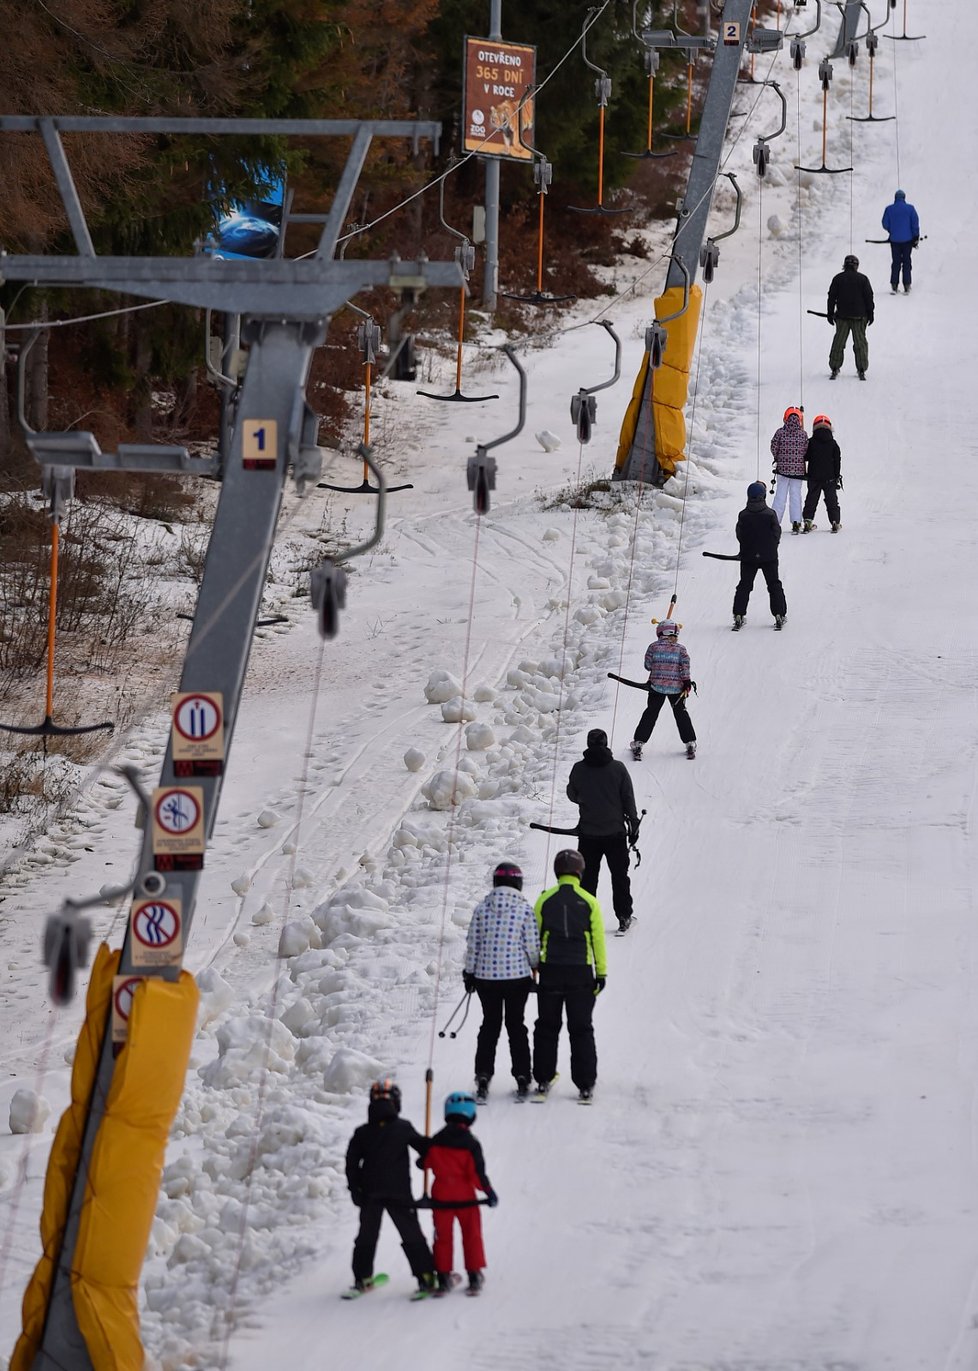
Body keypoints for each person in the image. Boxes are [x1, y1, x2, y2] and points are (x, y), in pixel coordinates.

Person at [345, 1079, 436, 1296]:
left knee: (366, 1236)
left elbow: (351, 1164)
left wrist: (355, 1190)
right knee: (411, 1232)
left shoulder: (362, 1133)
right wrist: (427, 1150)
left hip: (370, 1193)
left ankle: (362, 1278)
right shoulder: (403, 1127)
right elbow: (425, 1148)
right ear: (396, 1102)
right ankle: (426, 1277)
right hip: (399, 1192)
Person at [532, 849, 608, 1102]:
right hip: (581, 971)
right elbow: (597, 940)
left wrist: (534, 967)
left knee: (547, 1026)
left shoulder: (544, 900)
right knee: (581, 1028)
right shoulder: (589, 901)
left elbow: (535, 938)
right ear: (580, 871)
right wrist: (601, 973)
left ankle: (543, 1078)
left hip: (550, 970)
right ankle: (585, 1083)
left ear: (556, 871)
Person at [464, 860, 540, 1102]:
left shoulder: (482, 908)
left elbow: (473, 945)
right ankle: (522, 1076)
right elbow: (531, 945)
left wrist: (469, 973)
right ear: (518, 883)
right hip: (517, 978)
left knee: (490, 1025)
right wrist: (535, 966)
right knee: (516, 1025)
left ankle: (483, 1075)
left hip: (486, 978)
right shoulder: (524, 909)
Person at [422, 1090, 497, 1294]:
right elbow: (477, 1175)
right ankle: (474, 1275)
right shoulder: (471, 1144)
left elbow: (424, 1163)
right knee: (471, 1235)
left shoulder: (436, 1141)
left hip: (441, 1197)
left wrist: (425, 1152)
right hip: (466, 1198)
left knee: (442, 1237)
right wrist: (489, 1192)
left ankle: (443, 1276)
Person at [566, 728, 639, 933]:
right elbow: (628, 799)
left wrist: (585, 798)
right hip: (615, 833)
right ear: (606, 744)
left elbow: (572, 794)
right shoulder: (618, 768)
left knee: (587, 878)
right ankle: (624, 917)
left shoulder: (578, 769)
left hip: (588, 833)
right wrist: (633, 825)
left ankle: (586, 920)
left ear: (588, 744)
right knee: (619, 876)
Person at [629, 620, 696, 760]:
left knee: (651, 713)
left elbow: (648, 666)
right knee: (681, 714)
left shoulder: (653, 647)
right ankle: (690, 742)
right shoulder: (681, 649)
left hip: (656, 687)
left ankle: (639, 742)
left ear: (659, 632)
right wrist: (687, 683)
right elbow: (685, 667)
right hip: (676, 688)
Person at [732, 481, 787, 630]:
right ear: (763, 496)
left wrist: (747, 548)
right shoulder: (770, 514)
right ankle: (779, 614)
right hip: (769, 556)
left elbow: (740, 535)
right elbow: (777, 533)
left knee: (744, 585)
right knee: (774, 584)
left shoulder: (743, 515)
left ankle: (738, 614)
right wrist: (771, 546)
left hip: (748, 557)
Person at [827, 254, 874, 380]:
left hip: (842, 317)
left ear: (845, 265)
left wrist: (830, 313)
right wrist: (871, 313)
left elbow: (831, 297)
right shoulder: (863, 279)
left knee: (839, 342)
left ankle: (835, 367)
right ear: (856, 266)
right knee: (860, 344)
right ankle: (862, 368)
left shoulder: (838, 278)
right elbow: (869, 297)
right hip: (859, 317)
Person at [769, 406, 809, 533]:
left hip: (783, 470)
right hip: (798, 472)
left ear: (785, 418)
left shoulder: (780, 432)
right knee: (795, 495)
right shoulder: (803, 434)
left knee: (780, 496)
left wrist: (778, 457)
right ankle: (796, 522)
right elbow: (806, 451)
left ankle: (774, 522)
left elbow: (773, 446)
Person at [802, 414, 842, 534]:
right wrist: (836, 475)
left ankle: (808, 521)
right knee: (831, 500)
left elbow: (806, 457)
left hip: (814, 476)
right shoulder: (833, 443)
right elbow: (837, 461)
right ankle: (835, 521)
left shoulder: (811, 442)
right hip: (829, 477)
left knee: (811, 499)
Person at [882, 188, 920, 294]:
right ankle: (907, 285)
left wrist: (892, 230)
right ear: (904, 198)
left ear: (895, 198)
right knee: (906, 262)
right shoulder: (911, 209)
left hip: (894, 240)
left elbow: (885, 223)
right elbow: (915, 224)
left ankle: (894, 285)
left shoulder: (889, 209)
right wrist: (915, 237)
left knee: (896, 262)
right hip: (907, 240)